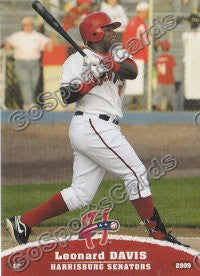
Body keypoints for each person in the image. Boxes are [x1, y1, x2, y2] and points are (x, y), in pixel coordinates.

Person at [5, 12, 188, 248]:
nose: (114, 32)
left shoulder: (118, 52)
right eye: (109, 28)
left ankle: (23, 222)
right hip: (92, 123)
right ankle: (159, 235)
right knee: (136, 173)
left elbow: (132, 71)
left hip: (100, 127)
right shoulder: (76, 61)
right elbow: (66, 96)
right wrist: (90, 79)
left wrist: (110, 64)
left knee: (81, 193)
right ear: (95, 33)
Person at [5, 17, 52, 110]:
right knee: (25, 81)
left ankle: (27, 103)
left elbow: (48, 41)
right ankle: (30, 103)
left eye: (29, 24)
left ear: (32, 25)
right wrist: (8, 46)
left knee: (33, 83)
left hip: (34, 63)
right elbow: (8, 40)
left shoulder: (37, 35)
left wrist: (50, 46)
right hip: (21, 63)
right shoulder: (18, 35)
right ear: (22, 26)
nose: (27, 26)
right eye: (25, 25)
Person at [122, 2, 149, 109]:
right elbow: (146, 41)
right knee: (142, 83)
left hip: (129, 56)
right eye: (146, 11)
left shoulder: (131, 22)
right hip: (140, 57)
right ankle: (145, 105)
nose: (147, 14)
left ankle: (125, 105)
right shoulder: (141, 23)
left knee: (129, 82)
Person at [152, 40, 176, 111]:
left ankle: (155, 104)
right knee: (171, 97)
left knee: (158, 95)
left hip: (160, 80)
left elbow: (156, 68)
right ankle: (171, 106)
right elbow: (173, 68)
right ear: (169, 48)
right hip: (169, 80)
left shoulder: (158, 58)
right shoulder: (170, 58)